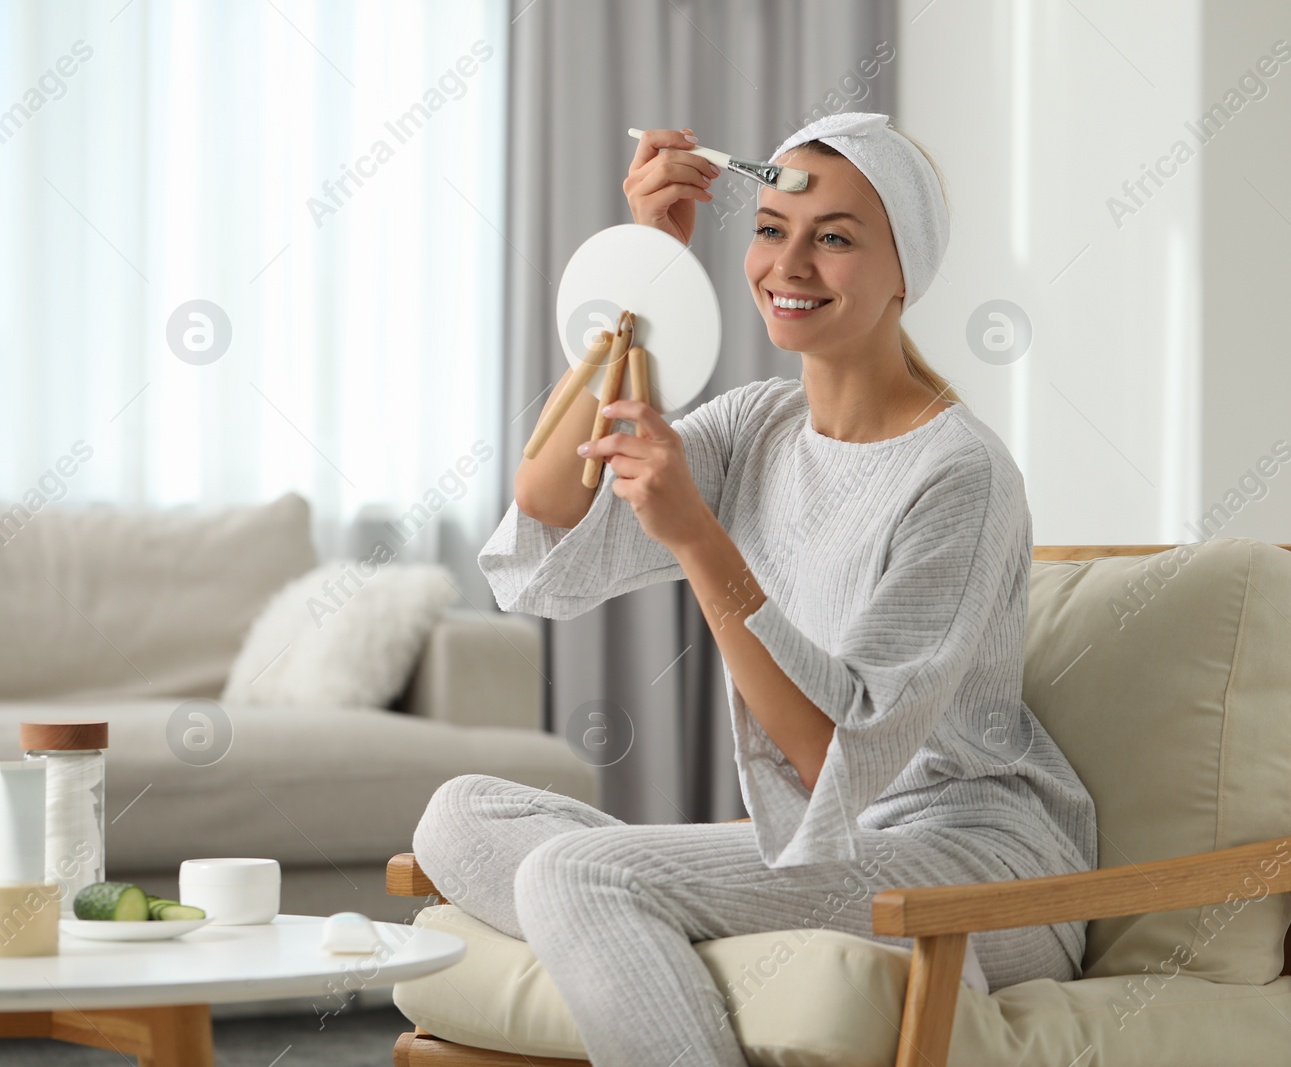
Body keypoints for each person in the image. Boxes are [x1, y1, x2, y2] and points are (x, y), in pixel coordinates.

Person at [412, 111, 1097, 1067]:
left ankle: (635, 928)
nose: (791, 264)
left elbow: (831, 759)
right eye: (773, 229)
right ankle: (654, 938)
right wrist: (646, 264)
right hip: (822, 852)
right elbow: (548, 495)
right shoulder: (761, 425)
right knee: (458, 814)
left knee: (581, 873)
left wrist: (697, 535)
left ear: (908, 273)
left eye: (837, 238)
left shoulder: (961, 473)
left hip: (977, 863)